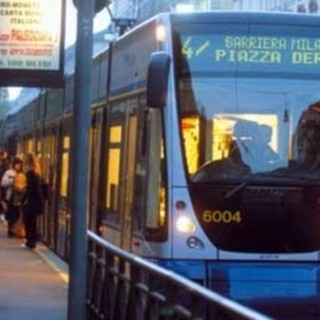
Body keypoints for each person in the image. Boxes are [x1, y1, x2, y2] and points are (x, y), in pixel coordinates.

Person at [22, 153, 44, 249]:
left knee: (29, 221)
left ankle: (30, 242)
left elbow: (29, 189)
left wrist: (23, 199)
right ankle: (32, 241)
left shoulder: (30, 173)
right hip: (36, 201)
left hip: (31, 201)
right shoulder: (37, 172)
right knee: (32, 222)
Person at [1, 157, 26, 237]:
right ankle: (11, 231)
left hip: (20, 197)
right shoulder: (9, 172)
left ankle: (17, 230)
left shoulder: (23, 173)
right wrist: (12, 181)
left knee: (18, 214)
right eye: (17, 164)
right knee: (11, 214)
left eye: (20, 165)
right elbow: (3, 183)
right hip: (11, 196)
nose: (18, 166)